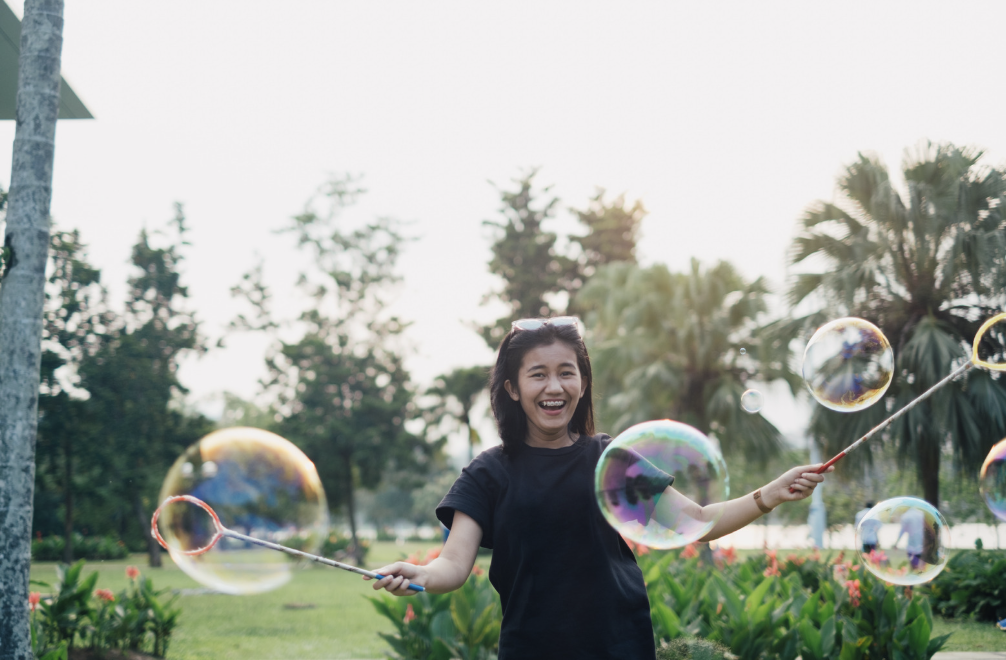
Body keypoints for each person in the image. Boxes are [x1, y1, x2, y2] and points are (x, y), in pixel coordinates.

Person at [366, 317, 831, 659]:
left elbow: (697, 524)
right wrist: (420, 575)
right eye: (538, 373)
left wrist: (770, 493)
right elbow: (453, 564)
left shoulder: (611, 460)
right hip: (532, 650)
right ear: (512, 388)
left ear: (583, 382)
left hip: (620, 646)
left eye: (567, 371)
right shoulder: (489, 472)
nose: (555, 385)